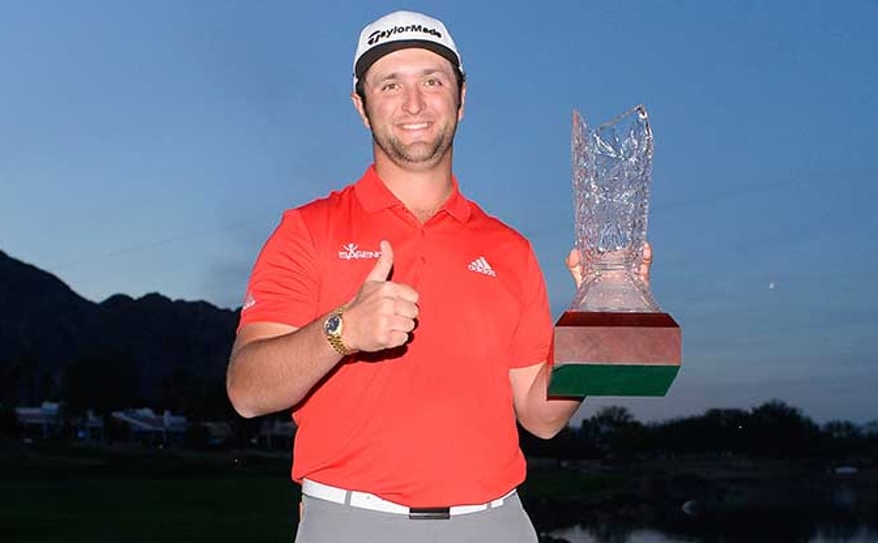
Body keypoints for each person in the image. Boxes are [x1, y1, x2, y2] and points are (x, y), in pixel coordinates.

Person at [227, 10, 651, 542]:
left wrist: (602, 313)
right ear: (361, 106)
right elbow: (246, 389)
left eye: (432, 80)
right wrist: (342, 332)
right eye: (390, 84)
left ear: (461, 98)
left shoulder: (509, 248)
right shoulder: (308, 230)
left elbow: (541, 415)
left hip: (497, 523)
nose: (413, 103)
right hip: (352, 523)